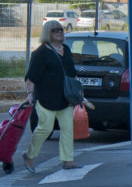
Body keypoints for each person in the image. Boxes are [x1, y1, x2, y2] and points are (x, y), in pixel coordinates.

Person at [22, 19, 91, 172]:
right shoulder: (40, 53)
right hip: (45, 98)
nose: (59, 32)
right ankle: (29, 155)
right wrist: (30, 95)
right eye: (55, 30)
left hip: (65, 98)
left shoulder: (66, 49)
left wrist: (79, 94)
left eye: (61, 29)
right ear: (47, 33)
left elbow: (72, 73)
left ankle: (68, 160)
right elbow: (31, 77)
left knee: (68, 129)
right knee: (45, 129)